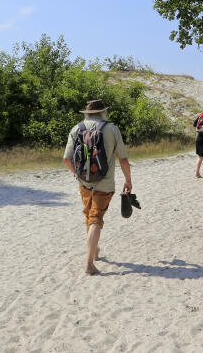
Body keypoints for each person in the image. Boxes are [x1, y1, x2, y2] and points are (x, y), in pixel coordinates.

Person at [63, 99, 132, 276]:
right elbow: (123, 158)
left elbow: (67, 159)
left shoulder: (76, 128)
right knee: (96, 219)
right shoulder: (111, 129)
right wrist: (128, 180)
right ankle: (89, 264)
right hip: (105, 182)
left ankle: (94, 252)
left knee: (88, 215)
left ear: (86, 113)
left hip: (84, 182)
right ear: (103, 112)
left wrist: (77, 175)